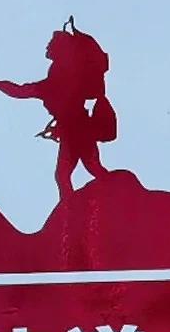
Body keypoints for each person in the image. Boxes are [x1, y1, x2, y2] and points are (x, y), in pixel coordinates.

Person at [21, 17, 118, 199]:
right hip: (74, 130)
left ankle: (72, 208)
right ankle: (73, 206)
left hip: (77, 130)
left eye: (51, 44)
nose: (47, 47)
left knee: (73, 172)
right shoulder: (62, 71)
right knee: (82, 170)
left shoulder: (62, 72)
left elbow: (38, 90)